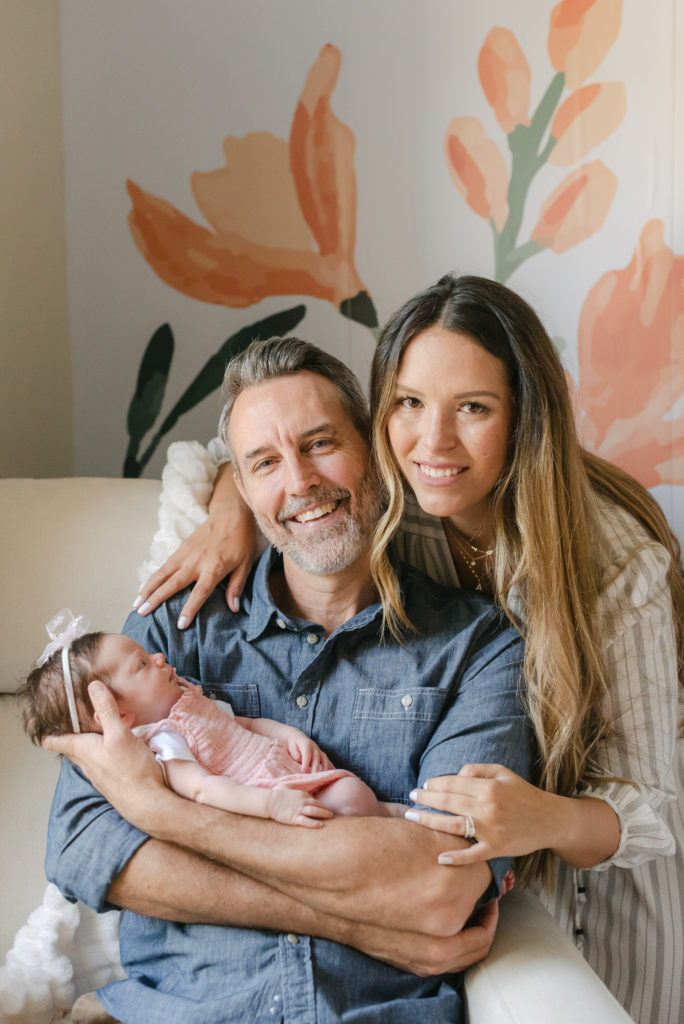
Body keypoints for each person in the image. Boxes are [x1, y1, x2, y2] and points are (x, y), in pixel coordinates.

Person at [137, 276, 684, 1024]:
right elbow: (283, 447)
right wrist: (235, 509)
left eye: (474, 409)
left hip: (606, 870)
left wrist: (543, 820)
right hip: (498, 849)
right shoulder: (398, 502)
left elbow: (654, 811)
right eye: (409, 403)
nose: (433, 443)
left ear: (524, 418)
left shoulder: (616, 566)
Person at [44, 337, 535, 1023]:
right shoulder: (166, 632)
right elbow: (82, 847)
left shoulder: (478, 647)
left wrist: (165, 816)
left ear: (374, 449)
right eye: (266, 463)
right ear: (241, 490)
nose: (300, 481)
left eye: (320, 443)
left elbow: (440, 885)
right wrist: (361, 922)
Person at [21, 619, 397, 825]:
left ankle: (394, 817)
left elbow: (246, 725)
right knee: (350, 798)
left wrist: (291, 734)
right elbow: (204, 789)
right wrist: (271, 806)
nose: (158, 656)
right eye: (141, 665)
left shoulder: (191, 699)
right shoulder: (164, 744)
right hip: (267, 798)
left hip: (286, 769)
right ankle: (391, 825)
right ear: (119, 715)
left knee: (353, 792)